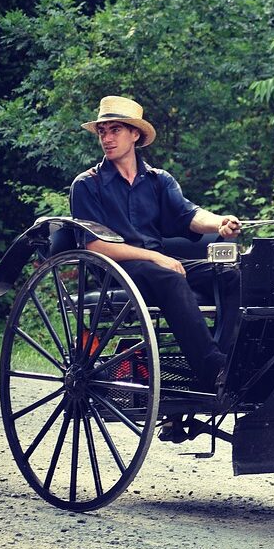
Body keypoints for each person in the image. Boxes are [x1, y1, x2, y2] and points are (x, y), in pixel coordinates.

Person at [70, 96, 241, 419]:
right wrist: (154, 256)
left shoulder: (159, 180)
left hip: (157, 267)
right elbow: (94, 247)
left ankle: (231, 360)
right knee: (169, 275)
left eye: (115, 130)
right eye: (102, 131)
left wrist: (219, 222)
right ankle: (212, 370)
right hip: (116, 270)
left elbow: (190, 215)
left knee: (232, 272)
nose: (106, 138)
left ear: (135, 134)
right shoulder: (87, 185)